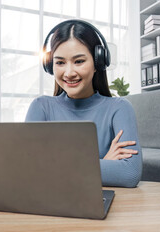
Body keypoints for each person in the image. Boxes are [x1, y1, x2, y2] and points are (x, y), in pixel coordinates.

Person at [25, 19, 142, 187]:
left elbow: (129, 174)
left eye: (79, 61)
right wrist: (101, 162)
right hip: (49, 205)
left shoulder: (119, 108)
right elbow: (29, 169)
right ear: (51, 66)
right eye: (60, 62)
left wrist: (52, 166)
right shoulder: (41, 107)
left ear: (98, 62)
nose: (69, 72)